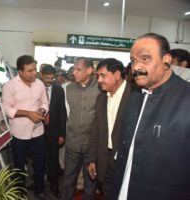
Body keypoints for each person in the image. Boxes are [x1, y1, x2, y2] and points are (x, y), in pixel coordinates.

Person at [112, 33, 190, 200]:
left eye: (145, 58)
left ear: (166, 60)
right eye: (133, 61)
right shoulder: (134, 96)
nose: (136, 67)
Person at [2, 55, 49, 199]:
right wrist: (28, 114)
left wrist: (41, 111)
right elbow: (6, 109)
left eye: (35, 69)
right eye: (30, 71)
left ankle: (39, 190)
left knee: (40, 163)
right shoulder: (9, 86)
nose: (34, 73)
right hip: (19, 134)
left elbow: (45, 103)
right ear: (20, 72)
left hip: (38, 131)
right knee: (19, 167)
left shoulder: (39, 84)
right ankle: (20, 193)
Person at [88, 58, 132, 199]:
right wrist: (92, 160)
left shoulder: (135, 96)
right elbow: (96, 131)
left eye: (103, 75)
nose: (99, 80)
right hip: (104, 160)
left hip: (126, 162)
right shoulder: (101, 98)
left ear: (117, 75)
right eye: (98, 76)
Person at [62, 57, 101, 200]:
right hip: (72, 143)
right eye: (73, 69)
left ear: (90, 70)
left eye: (78, 69)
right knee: (68, 180)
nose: (74, 72)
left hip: (92, 146)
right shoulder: (67, 89)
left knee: (91, 182)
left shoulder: (100, 88)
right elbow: (64, 114)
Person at [40, 64, 67, 198]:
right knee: (39, 158)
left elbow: (63, 112)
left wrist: (62, 134)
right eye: (47, 78)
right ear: (41, 74)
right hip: (37, 129)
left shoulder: (58, 89)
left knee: (53, 160)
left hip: (54, 130)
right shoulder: (35, 87)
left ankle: (54, 184)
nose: (50, 80)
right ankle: (39, 185)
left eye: (52, 78)